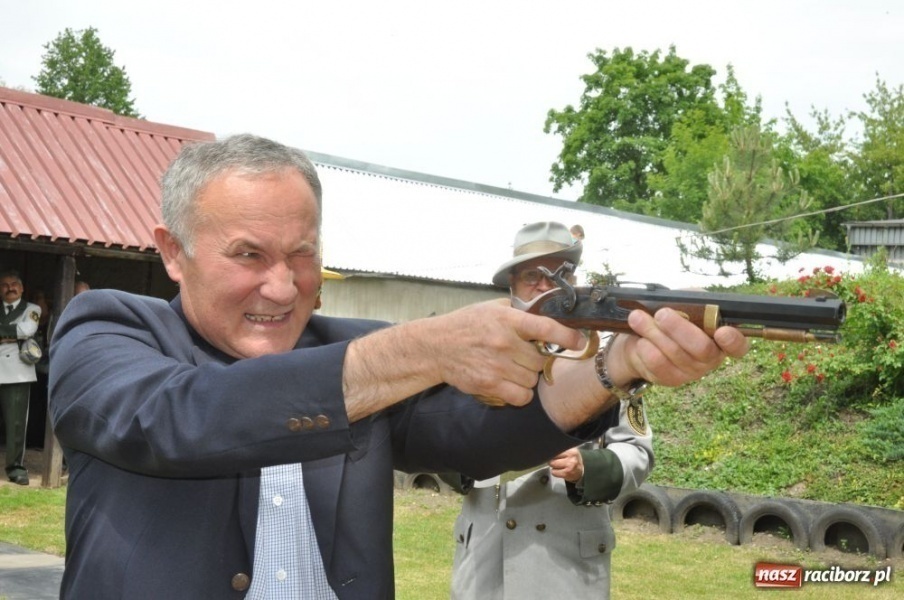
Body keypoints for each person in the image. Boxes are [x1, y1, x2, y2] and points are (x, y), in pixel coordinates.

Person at [48, 134, 748, 599]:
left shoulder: (350, 350)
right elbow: (177, 418)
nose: (284, 287)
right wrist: (422, 347)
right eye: (249, 256)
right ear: (173, 252)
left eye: (302, 255)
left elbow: (483, 424)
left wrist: (619, 362)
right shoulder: (107, 329)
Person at [450, 222, 653, 599]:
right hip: (484, 563)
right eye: (533, 276)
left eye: (561, 274)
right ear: (511, 284)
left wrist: (586, 468)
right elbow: (437, 439)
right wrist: (467, 460)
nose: (546, 286)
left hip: (564, 567)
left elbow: (637, 451)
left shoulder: (607, 358)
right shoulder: (475, 352)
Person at [0, 270, 42, 485]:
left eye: (14, 284)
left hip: (17, 372)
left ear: (22, 288)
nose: (10, 288)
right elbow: (19, 331)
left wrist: (9, 333)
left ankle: (15, 467)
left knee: (16, 424)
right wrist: (11, 333)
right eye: (5, 284)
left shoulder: (32, 309)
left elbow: (27, 330)